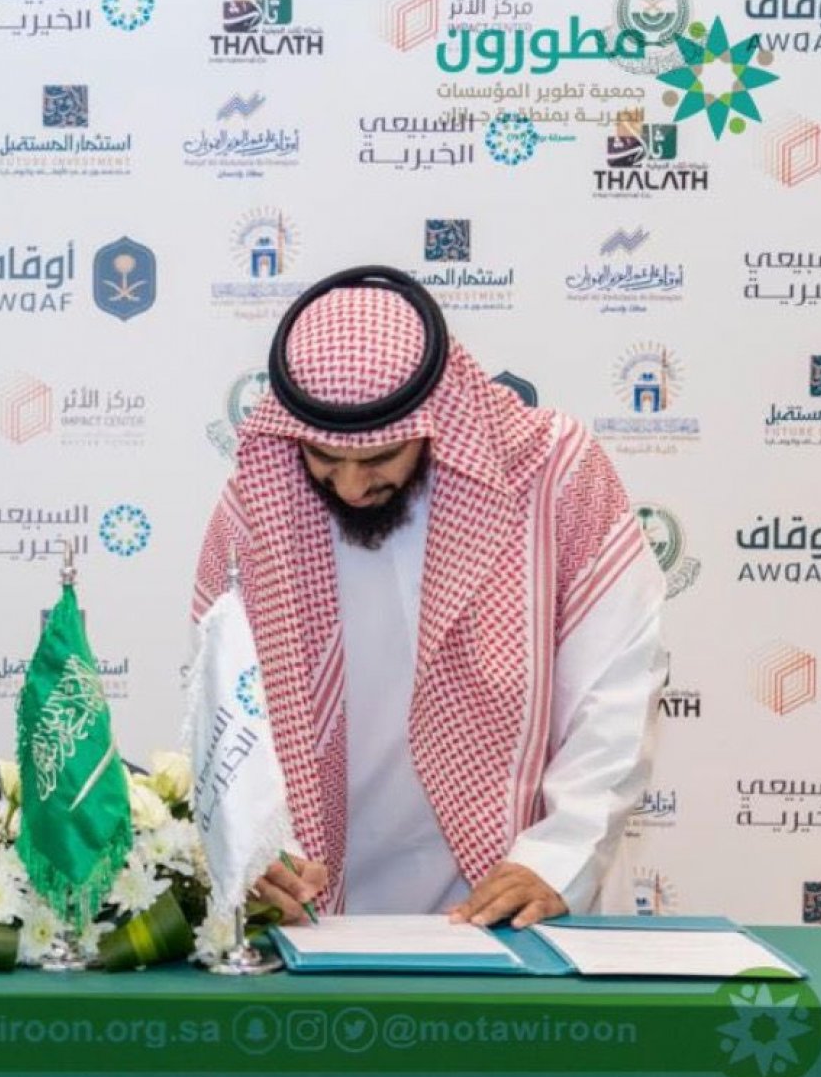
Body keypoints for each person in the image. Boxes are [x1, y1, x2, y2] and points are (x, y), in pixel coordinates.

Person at [193, 267, 665, 930]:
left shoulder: (554, 473)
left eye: (378, 457)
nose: (351, 486)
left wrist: (558, 856)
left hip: (513, 886)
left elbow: (617, 685)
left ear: (435, 418)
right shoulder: (258, 503)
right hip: (321, 900)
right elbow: (226, 703)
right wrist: (253, 844)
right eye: (325, 458)